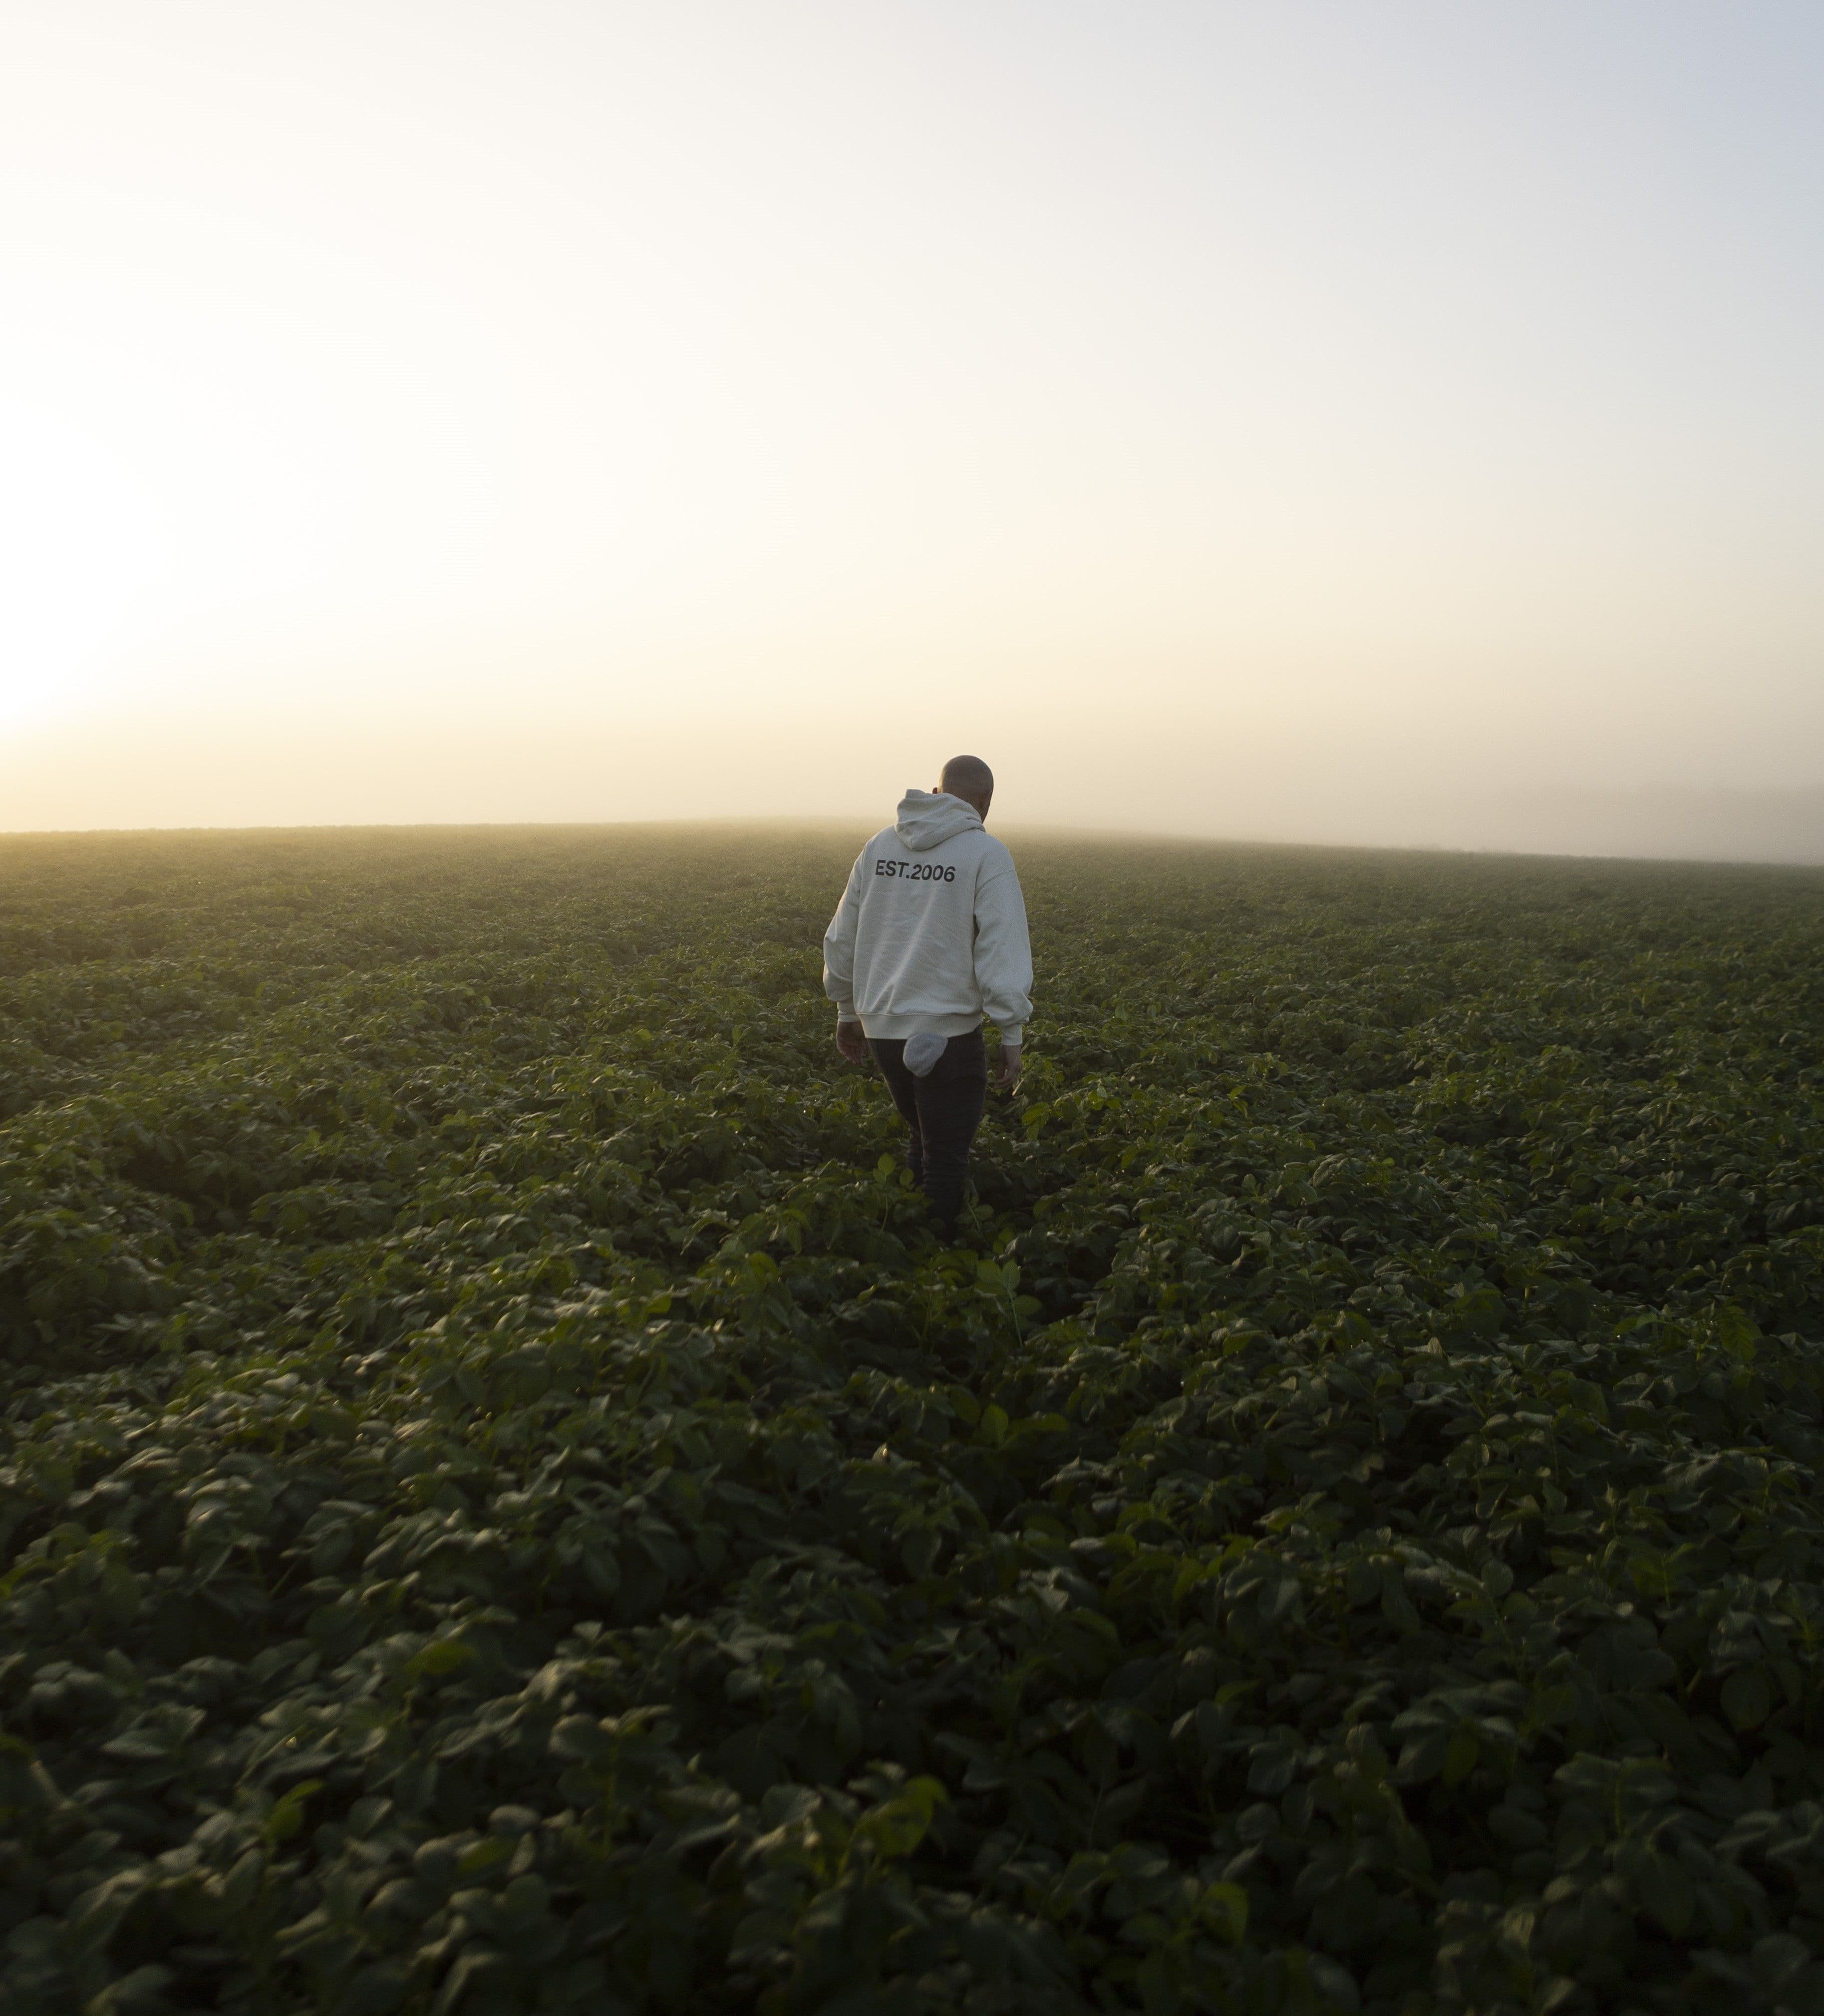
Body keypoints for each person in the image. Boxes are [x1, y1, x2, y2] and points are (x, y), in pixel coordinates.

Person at [822, 754, 1034, 1237]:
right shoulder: (986, 854)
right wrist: (1012, 1031)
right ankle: (933, 1260)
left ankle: (904, 1239)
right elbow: (1002, 944)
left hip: (884, 1031)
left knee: (922, 1134)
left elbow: (842, 935)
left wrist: (845, 1010)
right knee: (946, 1160)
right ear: (985, 802)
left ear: (936, 792)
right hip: (947, 1035)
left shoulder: (880, 845)